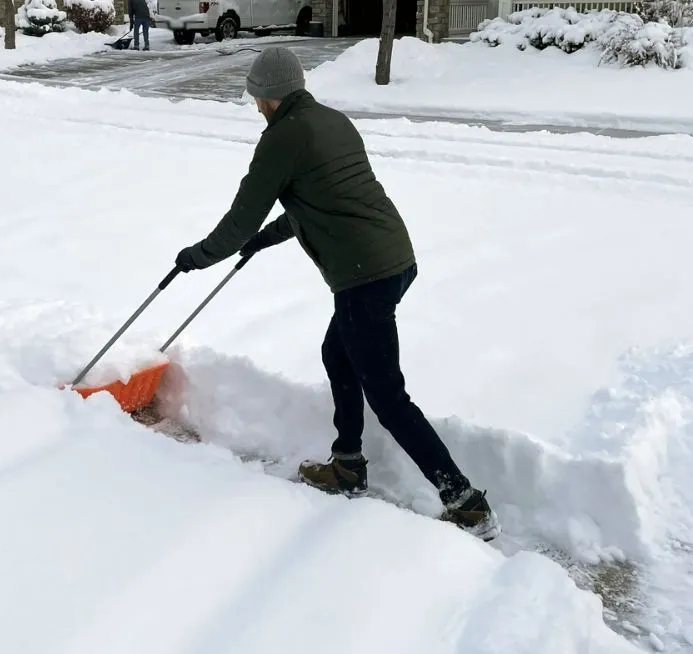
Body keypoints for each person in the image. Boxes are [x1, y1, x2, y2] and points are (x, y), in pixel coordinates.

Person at [174, 46, 500, 542]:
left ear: (267, 95)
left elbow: (239, 221)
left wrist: (197, 257)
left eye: (256, 97)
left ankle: (465, 501)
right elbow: (322, 198)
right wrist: (268, 238)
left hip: (364, 276)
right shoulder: (331, 121)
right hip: (394, 258)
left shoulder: (282, 138)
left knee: (387, 397)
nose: (256, 106)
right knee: (338, 352)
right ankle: (348, 463)